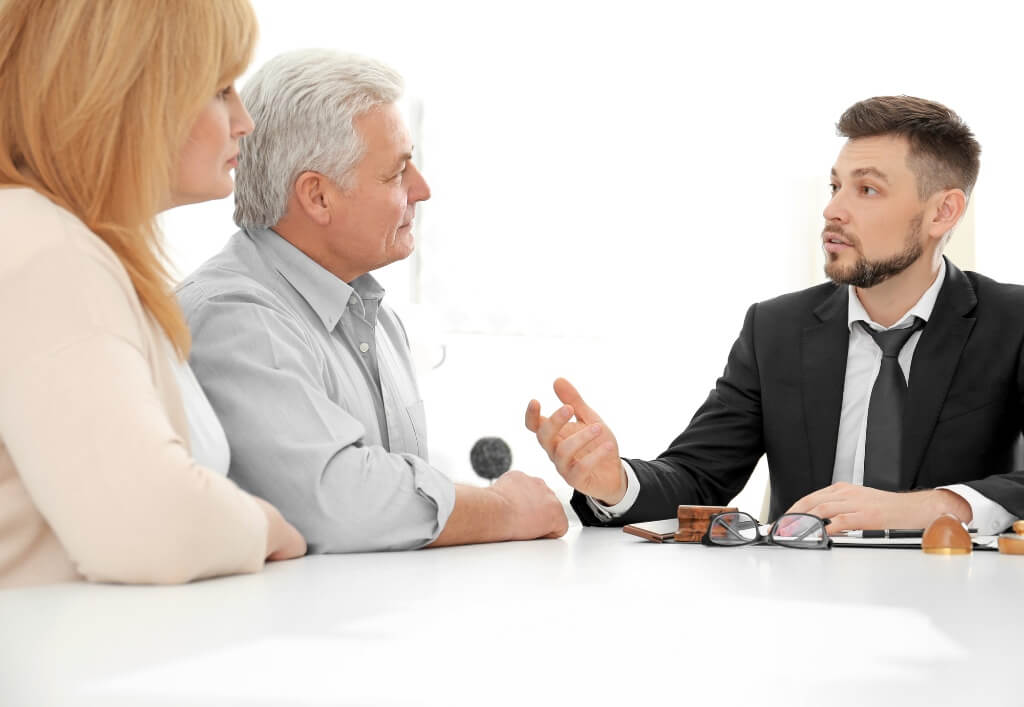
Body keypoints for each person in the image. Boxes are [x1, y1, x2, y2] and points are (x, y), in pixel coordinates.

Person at [526, 95, 1023, 535]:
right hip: (803, 606)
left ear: (943, 212)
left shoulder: (1012, 321)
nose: (833, 211)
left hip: (964, 606)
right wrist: (614, 483)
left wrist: (934, 507)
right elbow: (699, 476)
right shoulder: (776, 329)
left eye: (866, 190)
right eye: (834, 187)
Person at [177, 49, 567, 553]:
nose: (422, 190)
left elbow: (396, 497)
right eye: (396, 173)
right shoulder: (235, 318)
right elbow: (337, 502)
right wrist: (505, 509)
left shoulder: (377, 322)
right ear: (317, 196)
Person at [0, 0, 306, 588]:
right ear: (132, 99)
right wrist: (268, 527)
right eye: (219, 90)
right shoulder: (45, 249)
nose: (244, 120)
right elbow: (151, 525)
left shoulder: (66, 247)